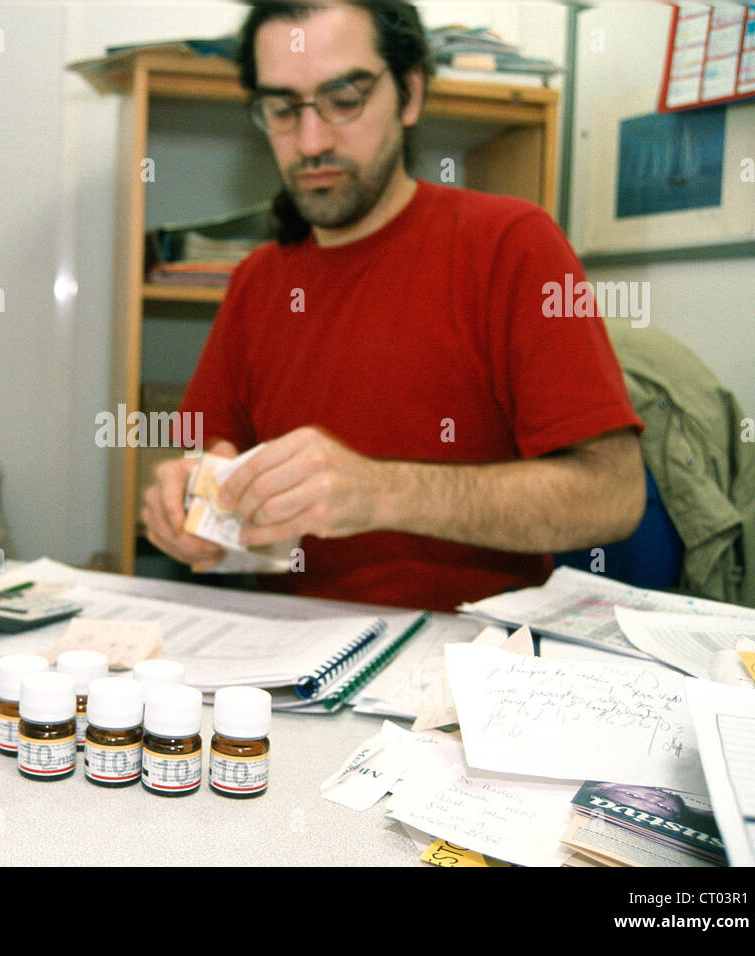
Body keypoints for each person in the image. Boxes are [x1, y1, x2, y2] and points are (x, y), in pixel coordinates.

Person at [141, 1, 646, 613]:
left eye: (345, 98)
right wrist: (186, 506)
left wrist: (382, 493)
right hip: (295, 658)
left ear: (409, 93)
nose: (311, 141)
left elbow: (614, 495)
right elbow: (206, 459)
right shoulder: (256, 281)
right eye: (281, 108)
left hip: (471, 660)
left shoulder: (511, 244)